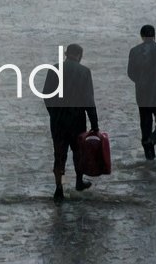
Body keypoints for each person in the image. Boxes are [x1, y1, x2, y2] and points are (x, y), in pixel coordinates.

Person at [42, 43, 100, 202]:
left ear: (66, 54)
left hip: (58, 120)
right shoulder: (84, 72)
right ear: (80, 55)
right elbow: (89, 100)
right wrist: (95, 124)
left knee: (59, 154)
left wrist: (53, 114)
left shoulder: (54, 69)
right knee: (78, 153)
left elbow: (46, 95)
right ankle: (79, 182)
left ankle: (58, 187)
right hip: (77, 119)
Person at [127, 24, 156, 160]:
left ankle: (149, 158)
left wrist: (140, 82)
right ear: (154, 35)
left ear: (141, 36)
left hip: (142, 95)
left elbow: (130, 72)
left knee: (145, 126)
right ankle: (152, 141)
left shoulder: (134, 51)